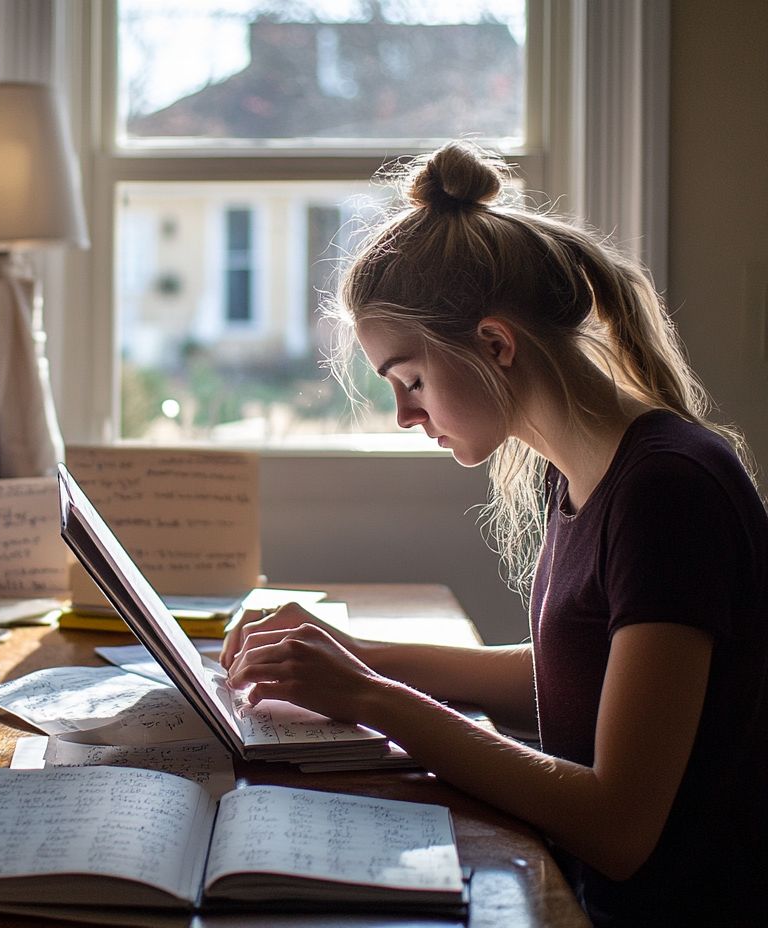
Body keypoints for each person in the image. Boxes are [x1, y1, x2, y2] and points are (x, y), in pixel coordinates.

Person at [220, 141, 768, 926]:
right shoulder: (582, 469)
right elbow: (567, 672)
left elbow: (620, 828)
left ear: (495, 345)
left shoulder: (669, 491)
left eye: (409, 381)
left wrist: (369, 697)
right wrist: (350, 659)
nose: (406, 415)